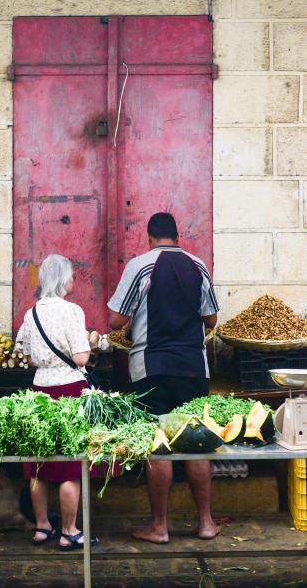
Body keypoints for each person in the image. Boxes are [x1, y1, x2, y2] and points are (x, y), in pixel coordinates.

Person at [107, 212, 219, 544]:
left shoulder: (140, 265)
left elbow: (116, 320)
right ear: (177, 236)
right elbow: (211, 318)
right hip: (194, 368)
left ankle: (159, 527)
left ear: (150, 237)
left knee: (158, 444)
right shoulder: (198, 265)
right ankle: (207, 523)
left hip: (151, 367)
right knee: (196, 443)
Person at [16, 253, 99, 551]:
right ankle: (69, 531)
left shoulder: (31, 312)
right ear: (63, 279)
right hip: (69, 390)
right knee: (69, 465)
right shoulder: (71, 311)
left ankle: (41, 527)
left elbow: (24, 355)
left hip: (40, 389)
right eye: (72, 276)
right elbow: (80, 358)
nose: (73, 280)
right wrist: (91, 340)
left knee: (39, 464)